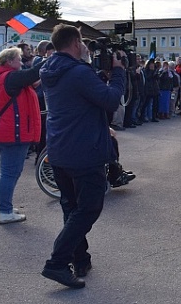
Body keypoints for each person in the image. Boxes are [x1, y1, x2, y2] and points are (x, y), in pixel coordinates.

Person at [40, 24, 126, 288]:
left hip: (60, 149)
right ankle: (56, 263)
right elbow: (111, 100)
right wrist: (119, 73)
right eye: (83, 43)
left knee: (71, 206)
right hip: (83, 151)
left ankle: (80, 259)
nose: (87, 48)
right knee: (89, 207)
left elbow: (81, 100)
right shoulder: (78, 72)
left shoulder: (50, 69)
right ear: (76, 43)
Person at [0, 47, 42, 224]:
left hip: (3, 132)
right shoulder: (10, 76)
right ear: (9, 61)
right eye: (18, 59)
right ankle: (5, 211)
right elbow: (33, 73)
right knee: (10, 173)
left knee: (8, 172)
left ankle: (6, 207)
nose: (21, 62)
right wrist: (56, 56)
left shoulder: (0, 76)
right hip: (12, 134)